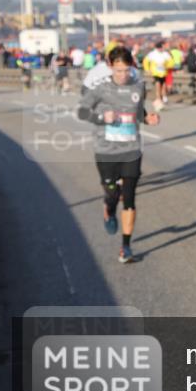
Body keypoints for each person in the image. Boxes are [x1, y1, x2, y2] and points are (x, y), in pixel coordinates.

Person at [77, 46, 159, 263]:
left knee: (130, 198)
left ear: (131, 67)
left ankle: (126, 247)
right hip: (106, 151)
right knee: (113, 193)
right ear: (110, 66)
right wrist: (103, 117)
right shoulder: (100, 89)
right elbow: (82, 112)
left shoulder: (138, 86)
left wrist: (148, 118)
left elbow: (138, 111)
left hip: (132, 150)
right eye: (118, 70)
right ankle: (109, 207)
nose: (123, 75)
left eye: (126, 70)